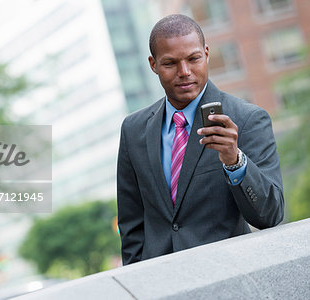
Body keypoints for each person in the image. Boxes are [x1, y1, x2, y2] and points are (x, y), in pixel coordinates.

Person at [117, 14, 284, 265]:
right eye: (170, 63)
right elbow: (131, 224)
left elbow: (271, 214)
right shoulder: (133, 130)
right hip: (160, 281)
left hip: (227, 274)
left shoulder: (248, 119)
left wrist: (234, 161)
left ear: (206, 54)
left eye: (193, 59)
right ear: (153, 65)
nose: (184, 72)